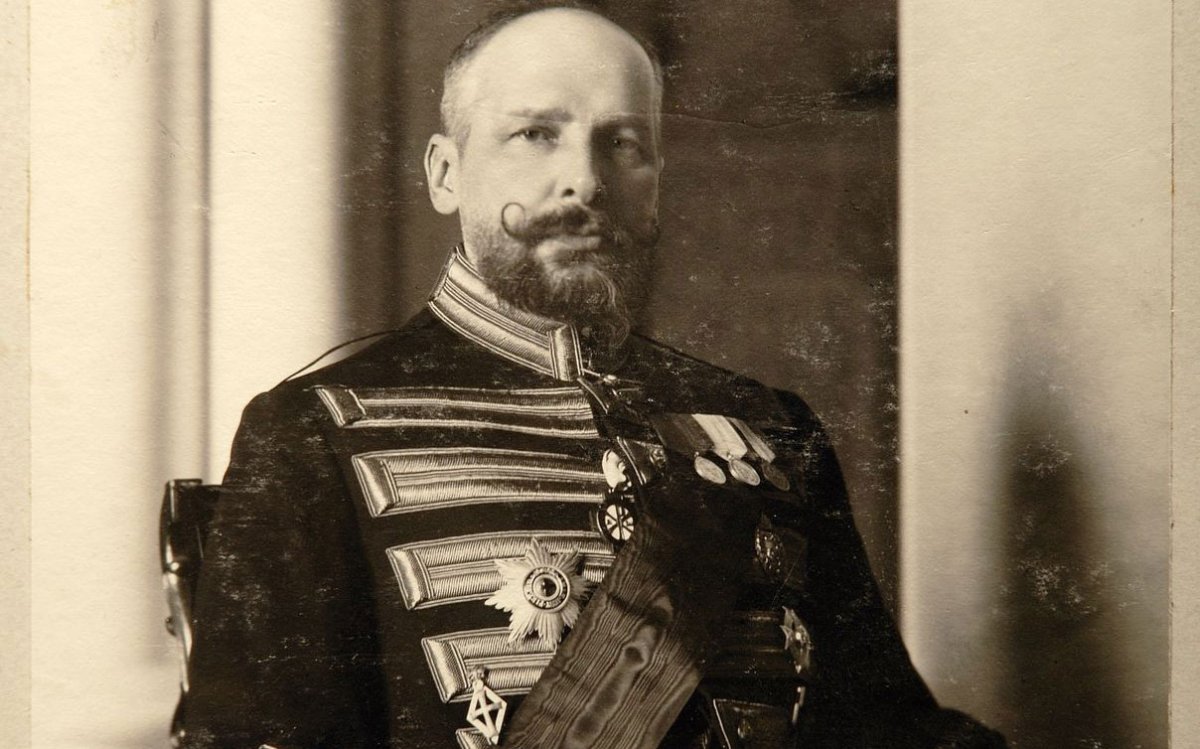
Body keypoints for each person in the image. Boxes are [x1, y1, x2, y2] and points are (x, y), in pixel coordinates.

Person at [180, 4, 1005, 748]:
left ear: (655, 182)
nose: (586, 180)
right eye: (535, 134)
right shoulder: (318, 428)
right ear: (444, 173)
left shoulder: (766, 425)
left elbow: (888, 730)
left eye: (623, 142)